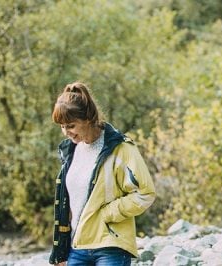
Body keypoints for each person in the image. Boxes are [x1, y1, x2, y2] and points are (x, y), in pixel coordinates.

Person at [48, 82, 157, 266]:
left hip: (111, 246)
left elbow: (145, 193)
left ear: (88, 119)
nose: (66, 132)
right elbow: (69, 206)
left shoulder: (121, 148)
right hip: (77, 247)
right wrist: (62, 251)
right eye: (62, 127)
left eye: (71, 125)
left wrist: (107, 214)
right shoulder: (70, 152)